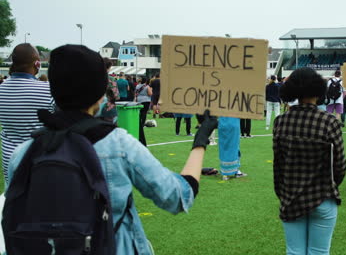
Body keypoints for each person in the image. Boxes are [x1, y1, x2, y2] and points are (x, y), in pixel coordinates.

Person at [4, 44, 218, 254]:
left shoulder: (23, 153)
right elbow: (177, 196)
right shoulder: (117, 144)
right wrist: (201, 139)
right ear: (99, 94)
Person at [273, 67, 346, 255]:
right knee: (320, 252)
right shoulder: (329, 122)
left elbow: (278, 164)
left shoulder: (281, 121)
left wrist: (283, 193)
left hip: (291, 196)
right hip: (322, 196)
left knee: (294, 252)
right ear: (317, 90)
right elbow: (340, 166)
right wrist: (330, 185)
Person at [0, 43, 55, 182]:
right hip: (39, 161)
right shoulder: (48, 90)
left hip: (10, 161)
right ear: (37, 64)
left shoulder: (1, 89)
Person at [100, 58, 120, 123]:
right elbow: (116, 96)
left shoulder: (93, 78)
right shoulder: (110, 79)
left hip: (94, 108)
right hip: (108, 107)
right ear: (109, 67)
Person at [135, 77, 152, 146]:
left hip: (139, 100)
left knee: (140, 112)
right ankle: (142, 124)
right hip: (146, 100)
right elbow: (150, 94)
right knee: (144, 113)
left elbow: (135, 93)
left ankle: (140, 123)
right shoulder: (147, 86)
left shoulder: (137, 86)